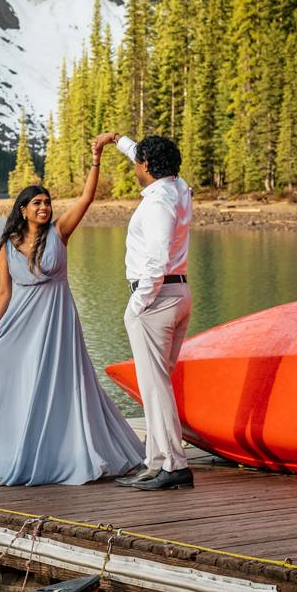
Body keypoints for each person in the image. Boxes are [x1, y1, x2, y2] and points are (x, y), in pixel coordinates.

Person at [0, 132, 144, 486]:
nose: (45, 207)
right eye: (37, 203)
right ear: (23, 210)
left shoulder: (60, 232)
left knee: (65, 384)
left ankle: (63, 452)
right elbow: (3, 294)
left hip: (58, 320)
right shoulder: (5, 249)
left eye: (47, 202)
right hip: (21, 323)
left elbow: (87, 198)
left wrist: (97, 157)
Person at [110, 133, 194, 490]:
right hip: (177, 294)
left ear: (146, 166)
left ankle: (173, 464)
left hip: (156, 300)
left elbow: (156, 259)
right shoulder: (179, 187)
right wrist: (119, 141)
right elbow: (143, 155)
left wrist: (137, 305)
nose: (134, 168)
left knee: (155, 385)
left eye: (136, 163)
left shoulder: (159, 201)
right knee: (156, 384)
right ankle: (157, 461)